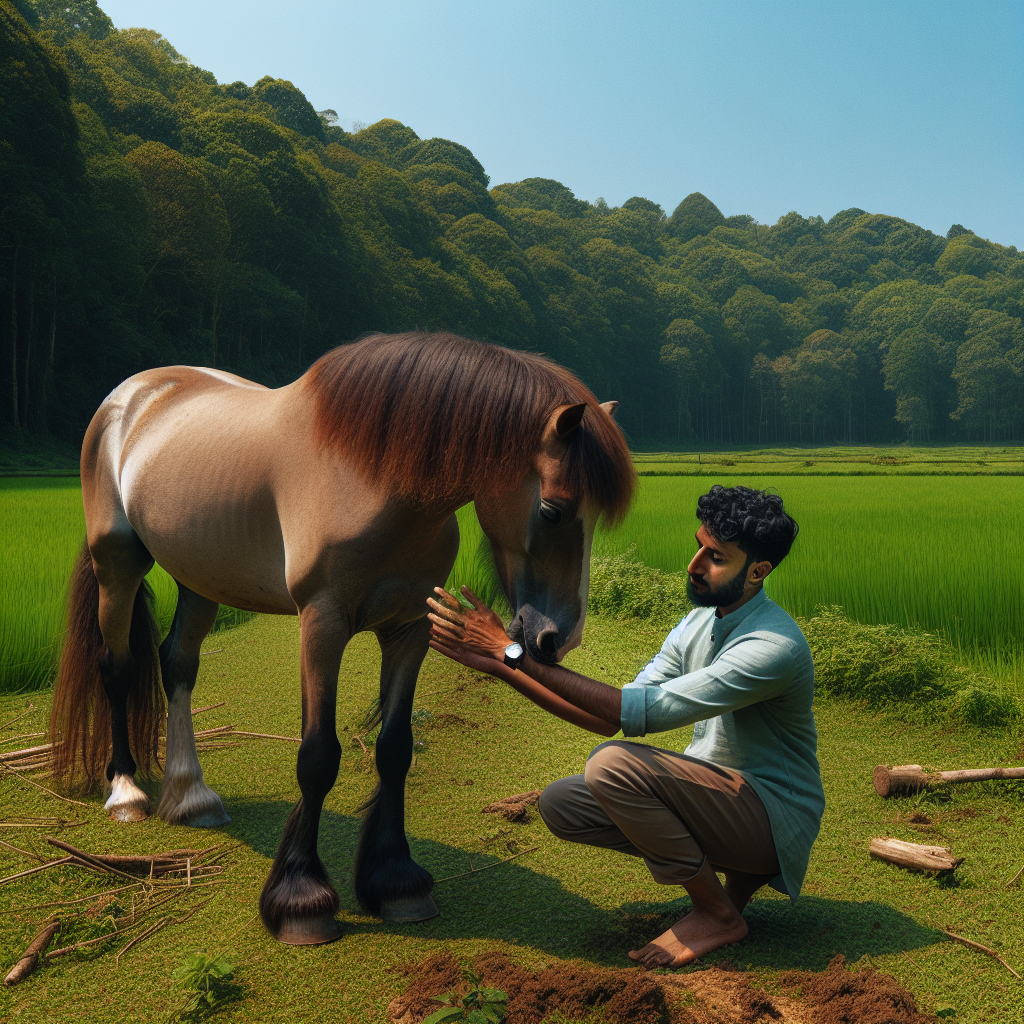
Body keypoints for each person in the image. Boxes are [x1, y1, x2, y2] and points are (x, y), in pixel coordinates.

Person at [427, 484, 824, 969]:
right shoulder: (698, 623)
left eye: (716, 557)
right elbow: (605, 718)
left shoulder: (772, 646)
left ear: (758, 571)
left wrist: (510, 652)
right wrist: (501, 667)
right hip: (723, 801)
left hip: (773, 816)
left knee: (613, 766)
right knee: (564, 805)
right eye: (698, 545)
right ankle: (732, 883)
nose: (694, 565)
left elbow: (630, 713)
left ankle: (717, 913)